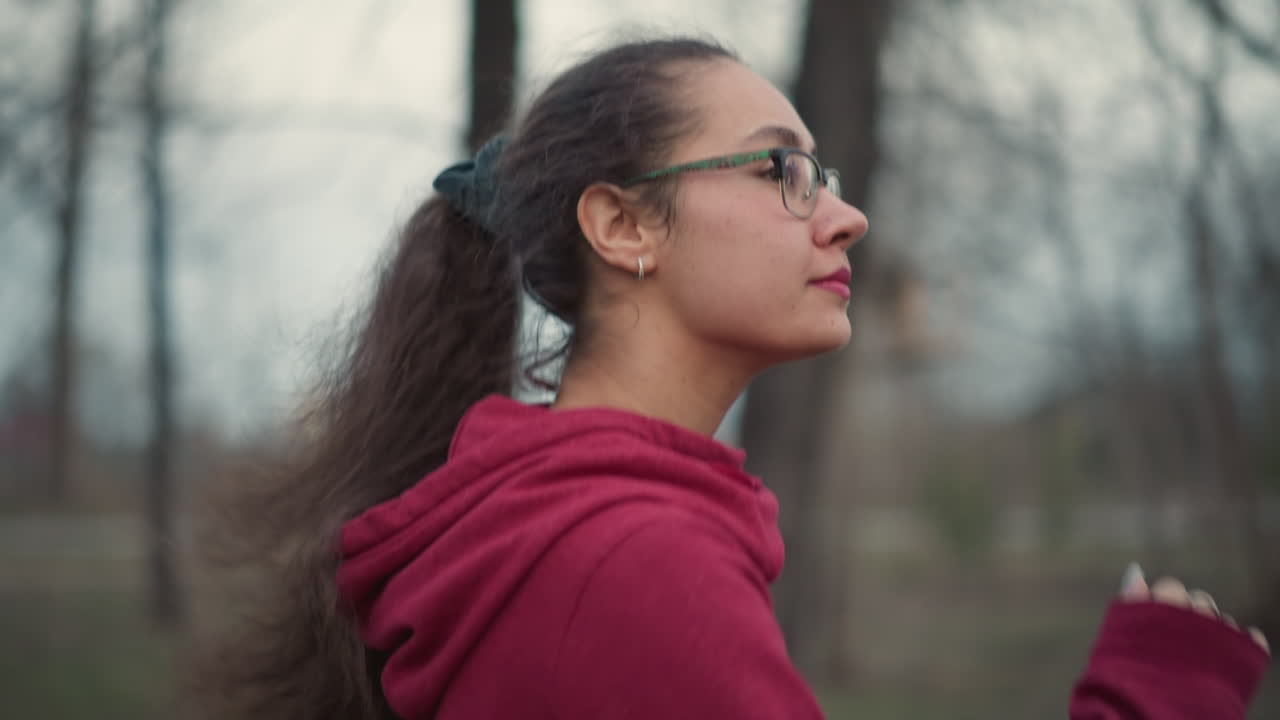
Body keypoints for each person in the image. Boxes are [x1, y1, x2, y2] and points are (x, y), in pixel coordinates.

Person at [190, 37, 1270, 720]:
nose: (844, 217)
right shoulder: (626, 569)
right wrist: (1152, 696)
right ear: (622, 226)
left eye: (827, 177)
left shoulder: (557, 532)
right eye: (780, 172)